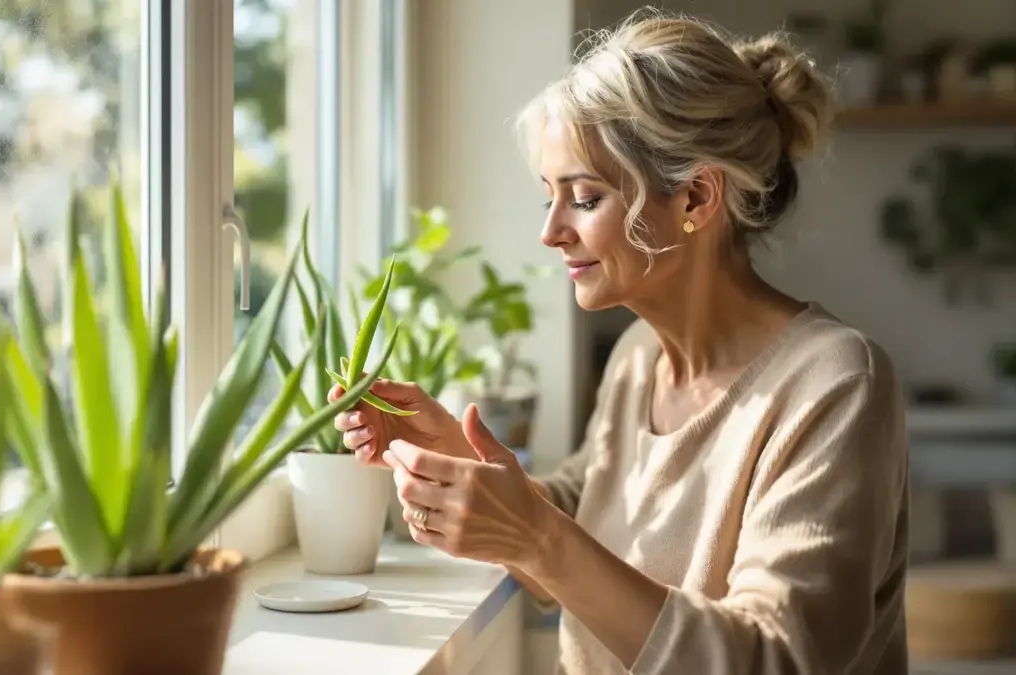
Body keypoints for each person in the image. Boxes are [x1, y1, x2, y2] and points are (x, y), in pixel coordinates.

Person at [331, 9, 909, 675]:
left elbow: (776, 659)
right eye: (548, 195)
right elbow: (587, 536)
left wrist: (540, 538)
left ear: (695, 197)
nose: (550, 232)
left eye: (583, 197)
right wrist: (459, 460)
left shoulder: (835, 384)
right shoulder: (639, 358)